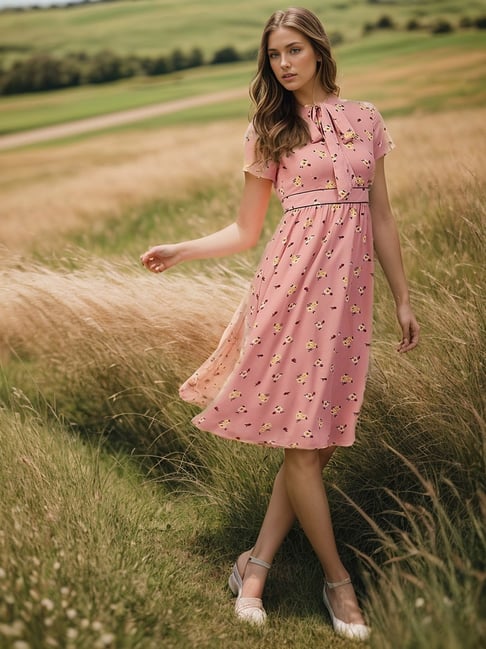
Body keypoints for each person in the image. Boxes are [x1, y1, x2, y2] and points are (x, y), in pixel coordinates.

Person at [141, 6, 419, 641]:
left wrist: (402, 298)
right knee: (302, 443)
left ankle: (255, 568)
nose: (285, 63)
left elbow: (382, 218)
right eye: (274, 55)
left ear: (318, 49)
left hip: (350, 300)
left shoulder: (366, 120)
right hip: (288, 293)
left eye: (294, 50)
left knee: (312, 447)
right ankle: (337, 582)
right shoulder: (268, 131)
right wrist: (181, 249)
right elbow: (246, 231)